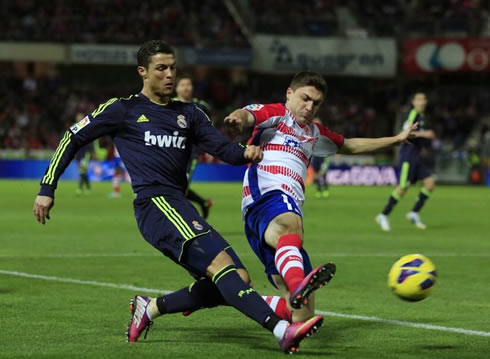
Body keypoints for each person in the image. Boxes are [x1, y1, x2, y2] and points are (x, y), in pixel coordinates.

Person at [33, 40, 321, 354]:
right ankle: (281, 329)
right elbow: (73, 136)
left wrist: (246, 153)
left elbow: (221, 147)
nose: (169, 75)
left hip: (178, 204)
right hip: (154, 204)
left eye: (173, 68)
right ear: (143, 72)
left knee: (237, 277)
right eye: (161, 69)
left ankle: (151, 307)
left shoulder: (190, 114)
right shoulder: (123, 109)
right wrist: (47, 189)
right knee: (222, 266)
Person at [223, 71, 417, 323]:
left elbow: (351, 145)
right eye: (305, 98)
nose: (309, 106)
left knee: (302, 316)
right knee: (291, 225)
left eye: (316, 103)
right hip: (267, 197)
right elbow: (247, 114)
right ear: (289, 94)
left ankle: (233, 295)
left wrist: (397, 139)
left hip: (281, 215)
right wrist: (237, 119)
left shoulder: (315, 133)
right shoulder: (276, 115)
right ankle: (297, 286)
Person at [376, 92, 436, 231]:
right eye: (419, 99)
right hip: (408, 157)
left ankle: (414, 213)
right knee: (402, 188)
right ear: (413, 102)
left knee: (429, 184)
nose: (423, 102)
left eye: (424, 99)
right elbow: (405, 132)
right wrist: (425, 134)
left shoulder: (422, 117)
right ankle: (383, 215)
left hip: (417, 157)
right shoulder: (412, 114)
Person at [173, 75, 213, 218]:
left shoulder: (201, 106)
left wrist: (209, 147)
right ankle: (202, 203)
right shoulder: (170, 105)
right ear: (176, 88)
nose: (186, 88)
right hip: (172, 151)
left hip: (191, 153)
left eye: (189, 84)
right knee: (173, 186)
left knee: (181, 186)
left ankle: (188, 221)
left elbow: (208, 130)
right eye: (182, 85)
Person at [73, 113, 93, 196]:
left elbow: (91, 138)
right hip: (79, 153)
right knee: (83, 171)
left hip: (86, 153)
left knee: (82, 171)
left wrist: (90, 151)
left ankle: (80, 189)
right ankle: (88, 188)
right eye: (78, 117)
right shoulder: (76, 127)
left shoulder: (86, 126)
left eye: (80, 117)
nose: (79, 119)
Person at [311, 118, 330, 199]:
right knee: (316, 174)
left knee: (323, 173)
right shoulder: (310, 133)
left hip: (323, 156)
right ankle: (319, 190)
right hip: (315, 156)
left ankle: (325, 189)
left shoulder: (324, 133)